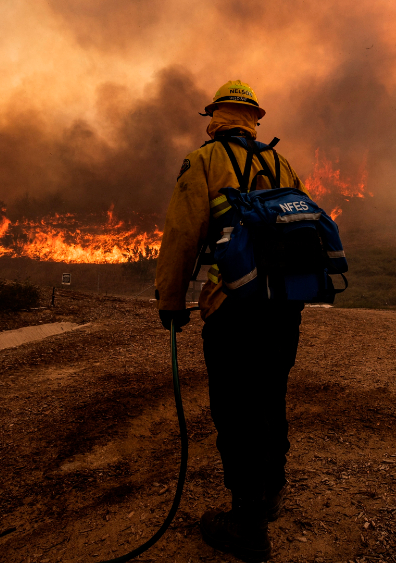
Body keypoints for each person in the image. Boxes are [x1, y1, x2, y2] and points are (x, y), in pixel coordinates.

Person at [155, 80, 308, 562]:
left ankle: (247, 524)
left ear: (215, 117)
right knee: (270, 398)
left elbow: (183, 232)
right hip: (282, 306)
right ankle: (271, 492)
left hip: (233, 307)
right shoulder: (281, 163)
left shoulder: (204, 161)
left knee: (237, 410)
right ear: (254, 118)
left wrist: (171, 299)